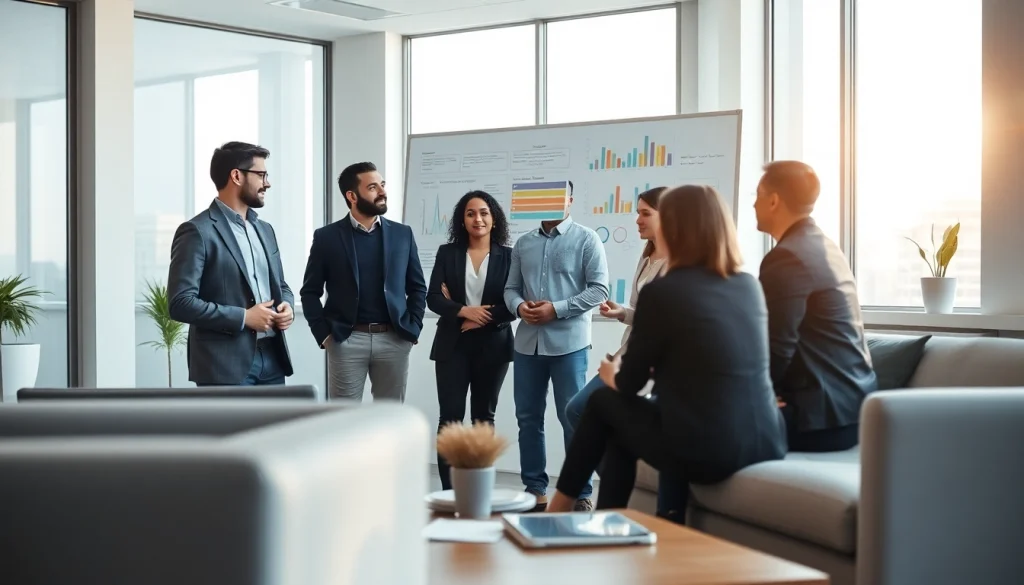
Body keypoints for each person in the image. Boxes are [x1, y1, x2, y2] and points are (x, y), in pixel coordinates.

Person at [545, 184, 787, 515]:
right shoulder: (748, 285)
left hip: (711, 449)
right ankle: (635, 519)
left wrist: (610, 373)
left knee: (604, 401)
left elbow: (629, 384)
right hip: (767, 439)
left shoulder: (664, 292)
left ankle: (564, 511)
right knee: (629, 420)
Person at [754, 160, 877, 452]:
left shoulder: (787, 257)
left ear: (773, 201)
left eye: (756, 196)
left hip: (820, 418)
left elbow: (775, 345)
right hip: (851, 411)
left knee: (690, 423)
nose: (754, 205)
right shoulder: (823, 246)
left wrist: (757, 395)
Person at [503, 180, 610, 510]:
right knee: (528, 418)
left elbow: (599, 290)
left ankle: (580, 493)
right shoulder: (523, 243)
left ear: (570, 200)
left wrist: (556, 309)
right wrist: (520, 307)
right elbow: (510, 289)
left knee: (572, 417)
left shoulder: (587, 239)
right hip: (527, 346)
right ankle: (535, 488)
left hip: (570, 345)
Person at [563, 186, 668, 509]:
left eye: (645, 213)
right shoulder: (647, 254)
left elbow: (667, 323)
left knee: (585, 410)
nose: (637, 219)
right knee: (577, 409)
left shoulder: (679, 265)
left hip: (649, 365)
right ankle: (618, 485)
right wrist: (623, 313)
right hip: (627, 354)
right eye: (637, 211)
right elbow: (646, 314)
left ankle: (616, 491)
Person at [168, 141, 294, 386]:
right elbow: (180, 303)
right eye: (261, 175)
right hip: (225, 365)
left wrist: (286, 307)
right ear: (236, 176)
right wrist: (244, 317)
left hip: (273, 358)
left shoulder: (265, 230)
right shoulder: (197, 231)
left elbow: (281, 285)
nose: (267, 182)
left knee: (278, 427)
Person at [299, 161, 427, 402]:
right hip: (347, 340)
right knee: (344, 420)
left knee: (389, 420)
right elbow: (310, 292)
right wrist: (324, 335)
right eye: (372, 187)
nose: (382, 191)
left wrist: (413, 326)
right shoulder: (326, 237)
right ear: (352, 195)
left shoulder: (403, 234)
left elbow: (418, 287)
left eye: (382, 184)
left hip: (394, 339)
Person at [427, 191, 517, 490]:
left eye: (483, 212)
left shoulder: (510, 255)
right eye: (470, 213)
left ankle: (479, 491)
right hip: (453, 344)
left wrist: (479, 319)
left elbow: (513, 302)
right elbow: (434, 298)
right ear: (461, 220)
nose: (477, 218)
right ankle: (448, 493)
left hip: (493, 344)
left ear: (494, 218)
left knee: (483, 419)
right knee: (450, 419)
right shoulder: (447, 253)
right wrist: (464, 311)